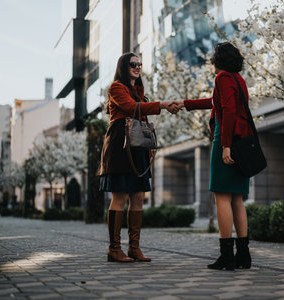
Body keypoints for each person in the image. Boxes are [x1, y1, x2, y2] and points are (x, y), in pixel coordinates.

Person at [173, 42, 252, 270]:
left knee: (222, 198)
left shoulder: (222, 78)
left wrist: (225, 146)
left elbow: (226, 110)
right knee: (237, 198)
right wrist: (185, 103)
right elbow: (215, 103)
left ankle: (227, 256)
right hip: (241, 141)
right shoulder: (238, 79)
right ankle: (243, 255)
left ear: (218, 60)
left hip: (225, 140)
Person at [98, 53, 177, 263]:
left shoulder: (139, 91)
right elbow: (132, 108)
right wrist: (162, 104)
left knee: (139, 197)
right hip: (120, 146)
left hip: (138, 147)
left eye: (139, 64)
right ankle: (114, 249)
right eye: (133, 64)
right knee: (120, 197)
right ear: (124, 66)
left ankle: (134, 248)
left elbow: (140, 110)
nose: (137, 67)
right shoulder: (116, 87)